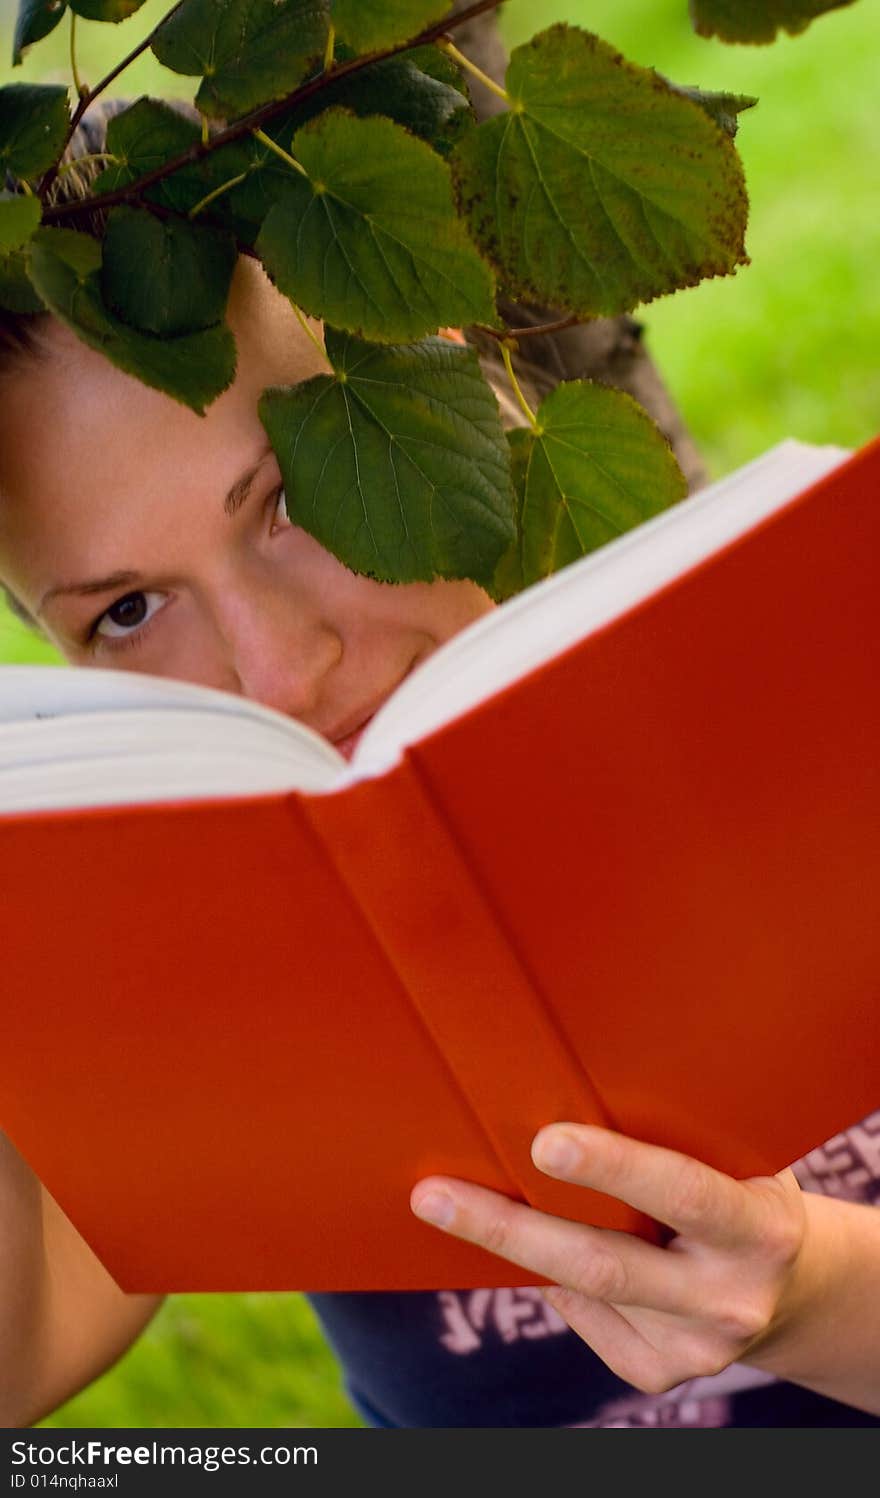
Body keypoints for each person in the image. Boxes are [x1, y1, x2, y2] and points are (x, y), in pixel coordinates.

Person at [1, 116, 879, 1431]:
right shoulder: (208, 975)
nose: (279, 673)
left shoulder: (815, 709)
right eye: (126, 609)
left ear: (453, 382)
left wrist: (816, 1292)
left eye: (296, 489)